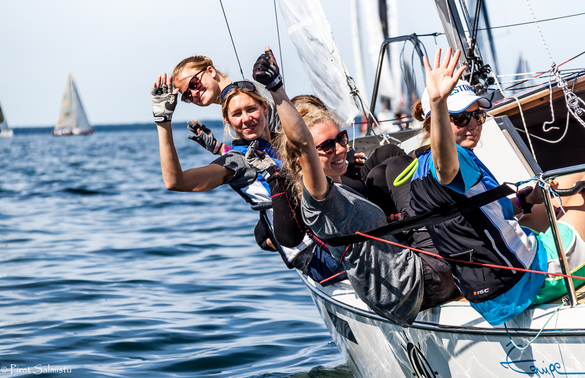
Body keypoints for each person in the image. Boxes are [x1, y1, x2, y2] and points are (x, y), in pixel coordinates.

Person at [253, 47, 458, 327]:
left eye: (341, 138)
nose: (339, 149)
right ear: (302, 161)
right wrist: (277, 90)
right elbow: (301, 141)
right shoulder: (319, 201)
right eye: (326, 146)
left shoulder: (343, 187)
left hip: (414, 281)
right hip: (416, 285)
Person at [409, 47, 585, 325]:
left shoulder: (419, 168)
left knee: (563, 185)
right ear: (436, 121)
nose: (473, 125)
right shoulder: (454, 161)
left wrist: (526, 200)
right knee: (582, 194)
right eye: (460, 118)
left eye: (478, 116)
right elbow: (446, 169)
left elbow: (480, 215)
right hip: (527, 281)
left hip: (490, 291)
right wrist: (439, 102)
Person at [151, 70, 346, 285]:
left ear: (264, 108)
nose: (246, 119)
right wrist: (163, 121)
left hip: (337, 231)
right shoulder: (236, 163)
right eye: (237, 114)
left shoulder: (281, 142)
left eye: (251, 109)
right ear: (228, 120)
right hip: (319, 255)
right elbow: (175, 182)